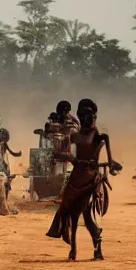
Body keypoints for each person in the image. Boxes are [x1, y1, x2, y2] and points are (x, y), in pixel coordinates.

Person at [45, 102, 122, 261]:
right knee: (68, 210)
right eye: (84, 116)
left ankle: (96, 247)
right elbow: (62, 152)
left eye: (90, 116)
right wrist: (64, 156)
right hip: (76, 177)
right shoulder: (75, 136)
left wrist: (112, 164)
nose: (87, 119)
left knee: (88, 216)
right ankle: (72, 248)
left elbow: (109, 156)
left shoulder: (99, 136)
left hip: (90, 178)